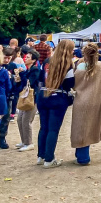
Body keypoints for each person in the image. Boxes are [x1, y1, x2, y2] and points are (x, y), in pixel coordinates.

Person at [36, 39, 76, 168]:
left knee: (43, 127)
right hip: (58, 97)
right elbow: (70, 84)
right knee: (53, 129)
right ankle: (49, 159)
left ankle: (40, 156)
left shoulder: (47, 61)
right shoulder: (68, 64)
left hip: (43, 95)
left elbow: (40, 78)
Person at [70, 44, 101, 165]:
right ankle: (82, 155)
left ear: (84, 54)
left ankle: (82, 157)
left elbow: (74, 84)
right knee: (90, 128)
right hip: (95, 101)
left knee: (80, 128)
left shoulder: (79, 66)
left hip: (80, 101)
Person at [12, 49, 41, 152]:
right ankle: (24, 141)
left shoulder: (35, 70)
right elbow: (20, 85)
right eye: (26, 57)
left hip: (32, 98)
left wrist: (22, 74)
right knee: (20, 119)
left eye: (28, 57)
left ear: (33, 60)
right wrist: (18, 77)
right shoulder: (27, 70)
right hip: (25, 97)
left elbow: (30, 83)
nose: (25, 58)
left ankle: (29, 143)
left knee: (26, 120)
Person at [0, 47, 21, 148]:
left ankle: (2, 138)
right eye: (5, 58)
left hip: (8, 95)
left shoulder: (12, 65)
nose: (7, 60)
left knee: (5, 119)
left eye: (9, 58)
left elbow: (16, 80)